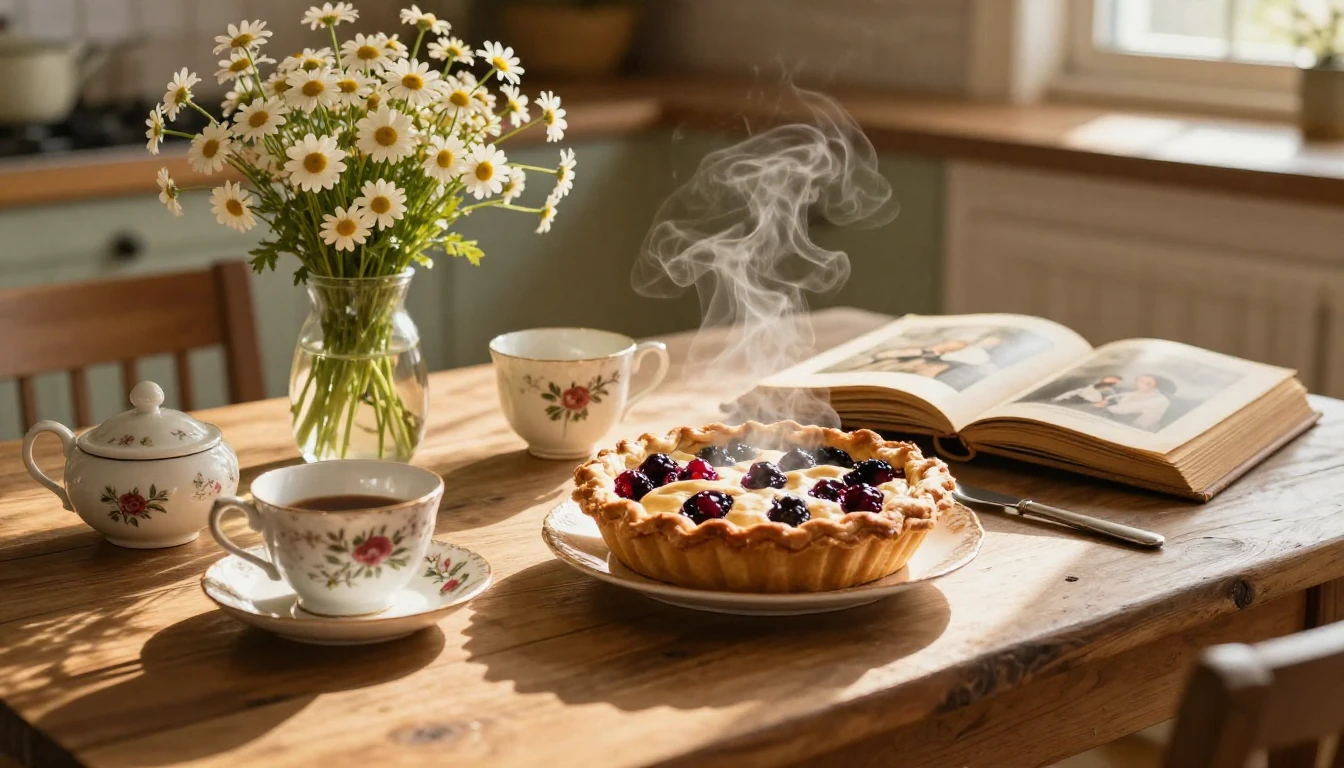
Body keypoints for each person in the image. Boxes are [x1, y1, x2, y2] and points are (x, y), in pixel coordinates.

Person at [1103, 373, 1172, 430]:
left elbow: (1126, 408)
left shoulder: (1161, 400)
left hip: (1143, 430)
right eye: (1141, 381)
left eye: (1149, 383)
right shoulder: (1135, 393)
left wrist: (1105, 408)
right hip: (1122, 422)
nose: (1144, 384)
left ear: (1155, 386)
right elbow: (1118, 401)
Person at [1052, 375, 1122, 405]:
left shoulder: (1109, 393)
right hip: (1072, 398)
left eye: (1112, 383)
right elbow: (1071, 393)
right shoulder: (1087, 385)